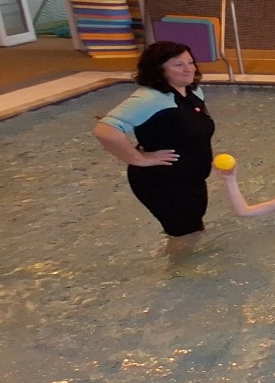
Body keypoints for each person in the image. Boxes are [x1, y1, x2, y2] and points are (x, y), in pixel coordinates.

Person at [93, 42, 217, 239]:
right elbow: (105, 130)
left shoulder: (193, 93)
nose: (189, 69)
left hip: (189, 180)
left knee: (191, 231)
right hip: (162, 181)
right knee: (185, 236)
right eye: (178, 65)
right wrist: (139, 159)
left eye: (190, 62)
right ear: (159, 69)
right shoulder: (150, 98)